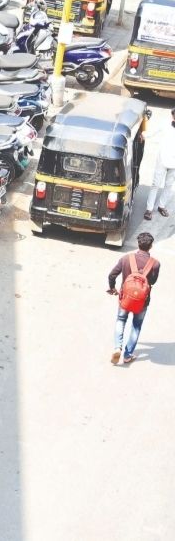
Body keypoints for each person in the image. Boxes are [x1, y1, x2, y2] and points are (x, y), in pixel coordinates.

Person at [107, 232, 160, 365]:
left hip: (125, 299)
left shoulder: (126, 258)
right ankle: (128, 355)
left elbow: (112, 275)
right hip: (142, 302)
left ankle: (117, 347)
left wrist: (112, 288)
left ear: (138, 244)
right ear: (151, 246)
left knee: (120, 320)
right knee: (136, 326)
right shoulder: (155, 264)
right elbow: (152, 281)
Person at [144, 108, 175, 220]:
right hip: (162, 159)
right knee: (155, 184)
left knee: (168, 185)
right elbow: (153, 132)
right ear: (172, 115)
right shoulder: (165, 124)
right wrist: (143, 135)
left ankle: (161, 206)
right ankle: (149, 209)